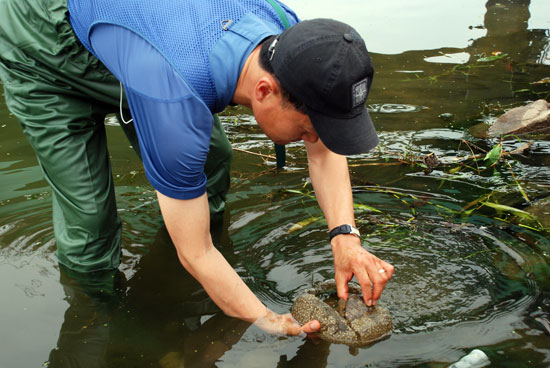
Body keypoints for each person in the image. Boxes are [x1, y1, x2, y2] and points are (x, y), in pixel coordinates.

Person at [0, 0, 394, 336]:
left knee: (211, 159)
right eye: (308, 129)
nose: (313, 139)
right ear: (264, 92)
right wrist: (266, 319)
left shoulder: (299, 44)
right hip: (43, 46)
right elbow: (197, 253)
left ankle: (183, 251)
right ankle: (97, 319)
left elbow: (324, 149)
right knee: (90, 226)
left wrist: (346, 239)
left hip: (141, 39)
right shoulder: (173, 102)